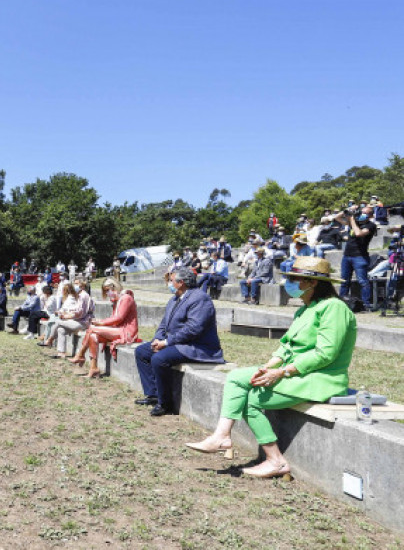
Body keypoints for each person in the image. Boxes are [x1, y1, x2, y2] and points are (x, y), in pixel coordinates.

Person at [185, 257, 355, 479]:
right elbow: (286, 347)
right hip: (295, 371)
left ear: (312, 282)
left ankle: (269, 458)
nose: (289, 284)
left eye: (294, 279)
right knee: (237, 377)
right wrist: (268, 366)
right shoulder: (305, 309)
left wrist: (283, 371)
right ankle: (225, 437)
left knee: (251, 398)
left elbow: (326, 354)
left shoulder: (334, 308)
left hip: (322, 378)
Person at [135, 267, 223, 416]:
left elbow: (194, 329)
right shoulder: (175, 298)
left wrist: (167, 342)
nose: (169, 283)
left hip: (197, 346)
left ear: (181, 282)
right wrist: (158, 338)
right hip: (178, 343)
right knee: (142, 351)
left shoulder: (200, 298)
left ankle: (165, 404)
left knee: (159, 359)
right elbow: (164, 324)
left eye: (171, 280)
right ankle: (153, 394)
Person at [69, 278, 138, 378]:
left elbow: (119, 318)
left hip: (127, 332)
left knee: (92, 328)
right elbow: (115, 318)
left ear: (114, 287)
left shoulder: (126, 298)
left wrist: (101, 323)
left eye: (107, 290)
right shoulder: (118, 299)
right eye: (105, 291)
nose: (107, 293)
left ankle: (80, 354)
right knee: (93, 336)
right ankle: (94, 368)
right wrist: (101, 322)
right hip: (119, 329)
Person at [339, 205, 377, 310]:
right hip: (347, 256)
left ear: (370, 215)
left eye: (366, 213)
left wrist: (352, 220)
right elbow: (337, 218)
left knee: (362, 281)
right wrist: (347, 210)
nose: (362, 214)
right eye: (362, 212)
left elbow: (358, 233)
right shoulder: (354, 222)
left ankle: (366, 304)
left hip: (360, 257)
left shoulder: (371, 225)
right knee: (344, 281)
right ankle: (342, 301)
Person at [53, 278, 94, 358]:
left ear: (82, 286)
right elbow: (75, 310)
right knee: (60, 329)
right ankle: (61, 353)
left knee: (57, 321)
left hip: (83, 322)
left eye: (76, 283)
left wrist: (66, 316)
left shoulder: (83, 296)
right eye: (74, 283)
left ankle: (49, 340)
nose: (74, 285)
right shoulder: (79, 296)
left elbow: (80, 313)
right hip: (77, 321)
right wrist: (66, 314)